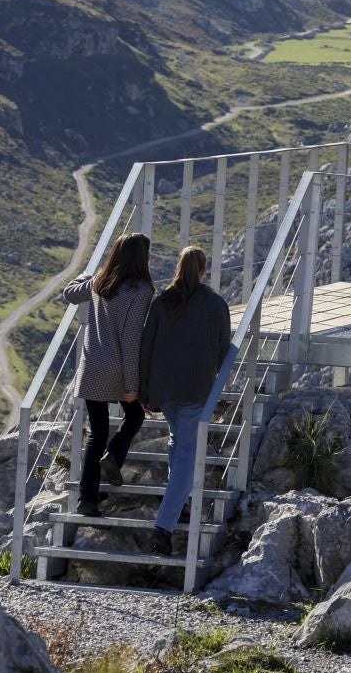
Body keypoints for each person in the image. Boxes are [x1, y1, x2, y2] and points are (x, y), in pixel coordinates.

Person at [139, 246, 231, 557]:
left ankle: (179, 507)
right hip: (196, 391)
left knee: (179, 444)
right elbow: (223, 354)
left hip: (164, 391)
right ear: (203, 270)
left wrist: (144, 390)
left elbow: (146, 348)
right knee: (188, 459)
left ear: (179, 266)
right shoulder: (216, 305)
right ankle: (162, 529)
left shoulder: (162, 301)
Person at [63, 231, 153, 517]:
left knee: (96, 434)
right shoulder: (141, 291)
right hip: (117, 369)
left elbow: (68, 293)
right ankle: (114, 456)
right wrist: (132, 384)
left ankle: (87, 501)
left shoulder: (99, 283)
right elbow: (129, 341)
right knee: (135, 415)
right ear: (141, 258)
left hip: (91, 367)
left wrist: (89, 275)